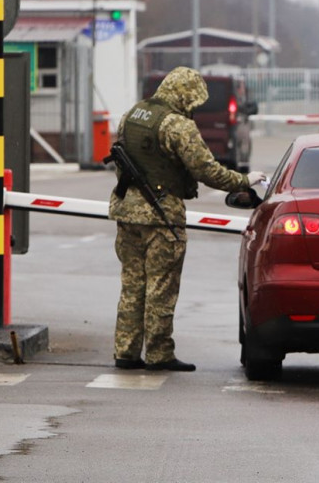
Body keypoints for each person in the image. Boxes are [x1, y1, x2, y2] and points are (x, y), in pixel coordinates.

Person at [108, 67, 266, 372]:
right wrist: (244, 180)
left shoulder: (132, 114)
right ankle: (158, 353)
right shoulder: (178, 126)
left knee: (132, 286)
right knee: (161, 287)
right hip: (161, 216)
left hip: (127, 212)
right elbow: (207, 171)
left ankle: (125, 352)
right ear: (185, 96)